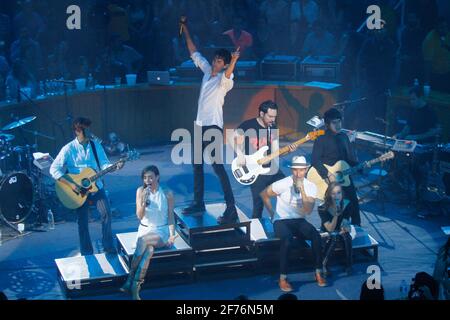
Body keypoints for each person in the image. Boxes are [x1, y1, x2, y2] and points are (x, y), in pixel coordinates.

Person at [180, 16, 240, 224]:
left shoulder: (225, 81)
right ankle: (199, 202)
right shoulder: (206, 71)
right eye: (215, 60)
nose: (215, 63)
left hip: (213, 128)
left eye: (219, 62)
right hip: (199, 126)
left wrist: (233, 61)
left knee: (217, 167)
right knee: (197, 165)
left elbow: (230, 73)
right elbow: (193, 52)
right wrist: (185, 28)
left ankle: (231, 208)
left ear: (224, 65)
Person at [50, 117, 125, 256]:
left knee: (106, 214)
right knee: (82, 221)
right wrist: (71, 184)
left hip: (96, 185)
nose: (89, 132)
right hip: (77, 190)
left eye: (89, 128)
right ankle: (86, 251)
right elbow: (54, 169)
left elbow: (104, 164)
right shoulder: (68, 149)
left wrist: (115, 167)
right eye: (86, 129)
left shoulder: (95, 145)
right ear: (77, 131)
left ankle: (108, 246)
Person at [261, 156, 327, 292]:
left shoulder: (311, 186)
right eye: (295, 170)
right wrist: (272, 212)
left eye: (301, 170)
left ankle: (318, 271)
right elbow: (264, 194)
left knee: (315, 235)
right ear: (292, 170)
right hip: (281, 220)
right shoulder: (283, 183)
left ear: (306, 170)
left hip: (299, 220)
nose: (298, 174)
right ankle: (283, 278)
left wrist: (302, 189)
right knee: (287, 239)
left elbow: (308, 210)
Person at [120, 165, 176, 300]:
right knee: (149, 251)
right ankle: (135, 287)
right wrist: (143, 201)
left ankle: (130, 280)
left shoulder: (167, 193)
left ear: (157, 177)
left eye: (151, 177)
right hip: (144, 229)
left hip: (160, 231)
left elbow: (170, 216)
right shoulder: (140, 191)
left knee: (144, 241)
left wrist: (172, 235)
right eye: (145, 178)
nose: (148, 180)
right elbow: (139, 216)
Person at [233, 100, 296, 219]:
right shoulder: (248, 125)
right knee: (258, 204)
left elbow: (275, 152)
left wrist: (287, 150)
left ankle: (284, 219)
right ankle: (256, 232)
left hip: (271, 169)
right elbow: (233, 138)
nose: (273, 119)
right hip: (255, 170)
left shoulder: (273, 128)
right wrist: (240, 154)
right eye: (270, 116)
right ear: (262, 114)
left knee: (289, 186)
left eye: (275, 117)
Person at [311, 108, 361, 226]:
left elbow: (350, 159)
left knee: (353, 201)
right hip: (328, 178)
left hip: (343, 174)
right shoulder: (321, 138)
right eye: (334, 122)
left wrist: (360, 165)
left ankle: (357, 229)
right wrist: (328, 174)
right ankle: (332, 229)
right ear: (327, 124)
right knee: (335, 207)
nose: (338, 125)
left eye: (339, 121)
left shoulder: (344, 137)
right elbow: (314, 160)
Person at [394, 86, 440, 206]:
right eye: (410, 100)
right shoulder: (413, 111)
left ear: (421, 98)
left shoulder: (430, 112)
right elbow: (408, 127)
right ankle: (403, 191)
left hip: (424, 147)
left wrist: (417, 137)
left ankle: (417, 197)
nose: (411, 102)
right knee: (394, 159)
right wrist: (400, 136)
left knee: (415, 170)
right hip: (411, 145)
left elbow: (437, 130)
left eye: (413, 99)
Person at [318, 182, 353, 276]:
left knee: (347, 237)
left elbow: (346, 222)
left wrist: (345, 227)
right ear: (329, 194)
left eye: (338, 193)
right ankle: (324, 264)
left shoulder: (346, 204)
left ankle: (349, 264)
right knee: (334, 237)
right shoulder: (322, 208)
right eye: (333, 193)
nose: (336, 196)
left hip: (340, 230)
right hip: (327, 233)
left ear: (342, 194)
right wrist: (336, 215)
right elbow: (329, 228)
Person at [422, 17, 450, 92]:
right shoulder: (429, 39)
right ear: (436, 27)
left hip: (448, 72)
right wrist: (427, 82)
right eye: (441, 27)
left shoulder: (448, 34)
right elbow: (427, 63)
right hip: (435, 74)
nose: (444, 29)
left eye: (445, 27)